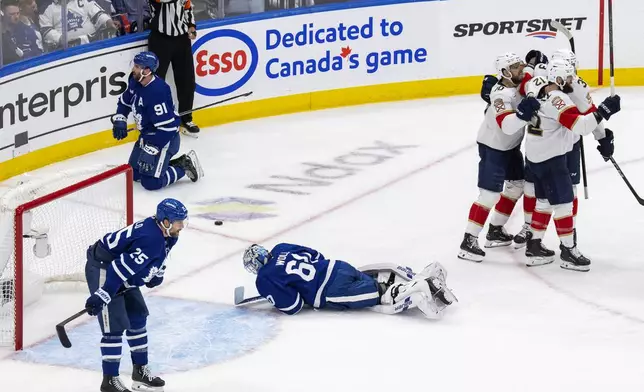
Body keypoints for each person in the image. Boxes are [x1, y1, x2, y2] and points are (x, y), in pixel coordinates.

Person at [519, 60, 620, 271]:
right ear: (557, 79)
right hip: (551, 159)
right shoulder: (558, 99)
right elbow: (581, 126)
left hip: (535, 156)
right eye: (567, 78)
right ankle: (568, 251)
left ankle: (534, 246)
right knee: (564, 204)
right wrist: (603, 111)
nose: (571, 81)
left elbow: (530, 86)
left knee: (544, 202)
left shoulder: (538, 85)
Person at [84, 198, 188, 392]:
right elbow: (117, 269)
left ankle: (139, 371)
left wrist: (157, 272)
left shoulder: (167, 233)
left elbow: (160, 255)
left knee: (137, 318)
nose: (181, 225)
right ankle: (109, 381)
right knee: (113, 327)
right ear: (165, 221)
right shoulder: (151, 238)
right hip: (104, 268)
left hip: (121, 268)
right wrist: (104, 294)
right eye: (178, 221)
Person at [458, 52, 537, 262]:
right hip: (493, 148)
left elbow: (529, 73)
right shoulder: (500, 96)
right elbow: (508, 126)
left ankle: (495, 231)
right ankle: (468, 241)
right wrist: (524, 113)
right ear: (504, 72)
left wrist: (532, 64)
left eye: (520, 64)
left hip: (510, 148)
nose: (520, 68)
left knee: (517, 186)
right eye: (515, 66)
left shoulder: (518, 80)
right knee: (488, 195)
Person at [242, 243, 457, 319]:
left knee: (378, 297)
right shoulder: (280, 248)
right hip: (337, 267)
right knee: (370, 282)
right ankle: (425, 278)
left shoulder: (264, 279)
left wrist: (278, 295)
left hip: (331, 290)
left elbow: (293, 306)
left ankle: (417, 290)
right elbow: (316, 254)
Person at [111, 51, 204, 190]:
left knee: (150, 182)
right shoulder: (135, 81)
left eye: (137, 66)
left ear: (147, 70)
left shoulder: (157, 92)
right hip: (146, 136)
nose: (133, 69)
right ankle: (162, 165)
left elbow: (168, 128)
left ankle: (183, 166)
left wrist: (152, 149)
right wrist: (120, 118)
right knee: (134, 174)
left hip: (164, 140)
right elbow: (125, 102)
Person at [147, 0, 200, 136]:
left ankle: (186, 118)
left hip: (182, 39)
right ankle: (157, 121)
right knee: (156, 84)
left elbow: (187, 6)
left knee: (187, 81)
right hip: (160, 39)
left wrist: (191, 25)